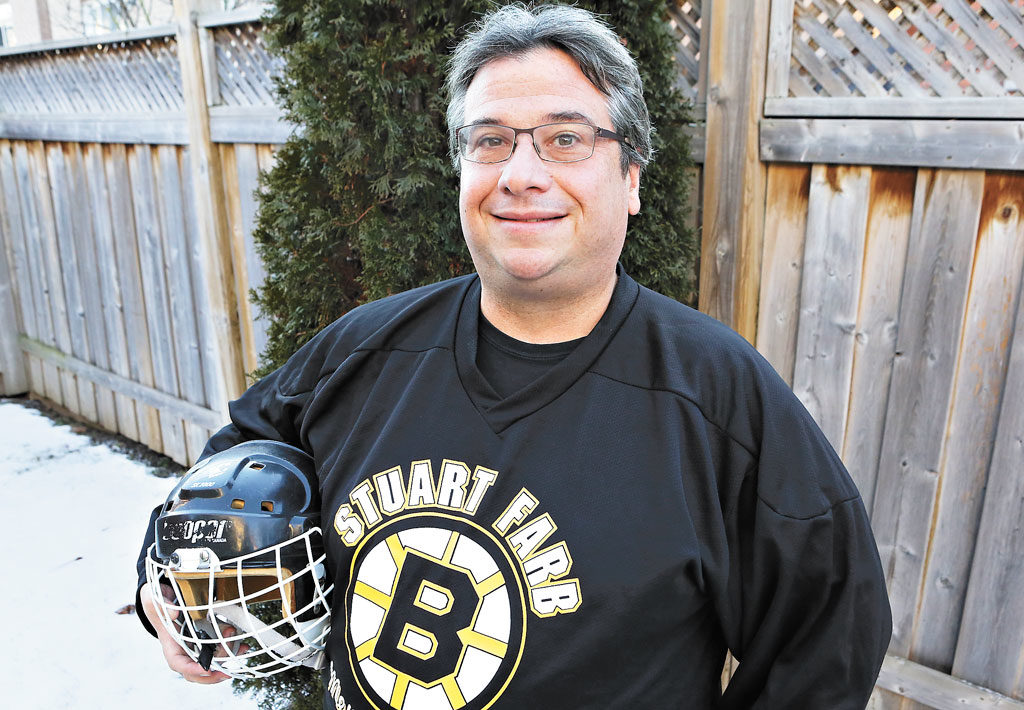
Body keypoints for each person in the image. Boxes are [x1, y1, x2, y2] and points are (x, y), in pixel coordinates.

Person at [137, 4, 892, 708]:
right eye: (490, 141)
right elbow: (235, 467)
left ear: (630, 178)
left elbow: (828, 627)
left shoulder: (715, 397)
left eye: (565, 140)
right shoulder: (362, 351)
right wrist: (166, 585)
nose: (521, 175)